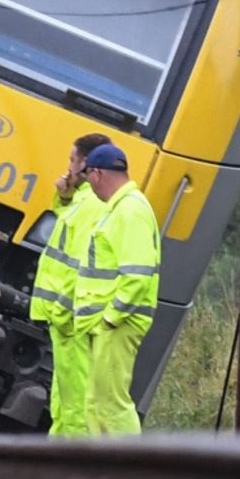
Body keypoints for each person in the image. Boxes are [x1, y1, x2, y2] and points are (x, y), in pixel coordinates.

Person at [29, 131, 113, 437]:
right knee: (63, 401)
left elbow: (79, 263)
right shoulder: (85, 199)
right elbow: (68, 224)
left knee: (74, 403)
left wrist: (64, 315)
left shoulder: (93, 205)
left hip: (72, 320)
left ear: (86, 165)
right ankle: (57, 460)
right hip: (69, 320)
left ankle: (71, 466)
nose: (67, 167)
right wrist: (64, 196)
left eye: (71, 160)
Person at [74, 142, 161, 437]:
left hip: (116, 324)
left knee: (111, 404)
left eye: (88, 178)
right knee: (95, 402)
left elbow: (137, 274)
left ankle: (130, 470)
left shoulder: (131, 210)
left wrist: (111, 317)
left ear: (96, 174)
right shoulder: (125, 208)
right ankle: (102, 467)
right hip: (108, 324)